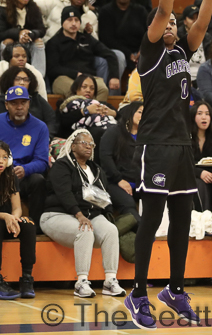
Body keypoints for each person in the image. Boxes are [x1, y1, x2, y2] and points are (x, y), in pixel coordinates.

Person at [123, 0, 212, 329]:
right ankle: (137, 294)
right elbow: (165, 7)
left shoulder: (183, 51)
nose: (169, 24)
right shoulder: (149, 54)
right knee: (152, 219)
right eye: (162, 23)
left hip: (183, 146)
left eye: (172, 24)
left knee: (183, 219)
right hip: (155, 144)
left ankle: (175, 289)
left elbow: (201, 22)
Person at [40, 129, 126, 298]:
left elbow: (103, 195)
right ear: (73, 146)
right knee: (84, 230)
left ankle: (110, 281)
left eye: (91, 144)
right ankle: (81, 282)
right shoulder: (63, 165)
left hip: (89, 215)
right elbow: (64, 194)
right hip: (56, 215)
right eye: (84, 143)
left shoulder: (96, 169)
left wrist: (107, 214)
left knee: (111, 230)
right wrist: (79, 214)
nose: (88, 147)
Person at [0, 85, 48, 233]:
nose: (19, 107)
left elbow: (42, 161)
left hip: (22, 175)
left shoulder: (40, 127)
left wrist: (26, 169)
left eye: (23, 102)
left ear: (29, 103)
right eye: (14, 103)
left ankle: (35, 228)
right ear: (6, 105)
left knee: (38, 180)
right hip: (1, 174)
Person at [45, 6, 120, 101]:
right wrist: (75, 74)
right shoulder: (54, 42)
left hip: (88, 77)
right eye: (69, 20)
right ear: (62, 22)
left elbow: (110, 54)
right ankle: (80, 113)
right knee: (76, 90)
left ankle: (97, 114)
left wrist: (114, 77)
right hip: (63, 78)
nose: (73, 23)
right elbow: (52, 69)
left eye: (76, 20)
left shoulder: (86, 38)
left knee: (103, 89)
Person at [0, 140, 36, 300]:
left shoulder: (10, 176)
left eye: (4, 157)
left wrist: (15, 218)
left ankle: (27, 278)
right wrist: (5, 216)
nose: (1, 160)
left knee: (28, 225)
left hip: (7, 221)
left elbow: (17, 206)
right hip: (2, 220)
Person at [99, 101, 143, 223]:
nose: (143, 116)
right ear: (130, 113)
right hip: (115, 181)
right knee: (128, 204)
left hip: (140, 182)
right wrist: (119, 180)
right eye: (140, 112)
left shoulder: (147, 136)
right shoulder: (114, 132)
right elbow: (105, 157)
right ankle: (142, 234)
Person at [58, 74, 117, 159]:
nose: (88, 90)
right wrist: (85, 111)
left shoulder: (101, 104)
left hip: (108, 130)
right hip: (83, 136)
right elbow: (64, 122)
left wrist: (113, 113)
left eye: (92, 88)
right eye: (84, 87)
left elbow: (121, 117)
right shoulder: (68, 104)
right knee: (98, 132)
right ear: (76, 89)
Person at [98, 0, 148, 72]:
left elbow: (148, 34)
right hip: (117, 50)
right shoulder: (106, 11)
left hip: (138, 51)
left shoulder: (141, 11)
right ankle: (115, 86)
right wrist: (128, 53)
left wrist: (142, 50)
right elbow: (107, 39)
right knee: (119, 57)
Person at [0, 0, 45, 76]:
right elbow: (1, 32)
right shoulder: (3, 8)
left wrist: (30, 34)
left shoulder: (33, 8)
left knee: (39, 42)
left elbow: (41, 30)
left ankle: (38, 77)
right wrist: (18, 33)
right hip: (12, 43)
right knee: (7, 42)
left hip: (27, 41)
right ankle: (5, 76)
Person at [0, 66, 57, 138]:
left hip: (36, 137)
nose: (22, 83)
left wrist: (45, 137)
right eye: (18, 79)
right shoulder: (2, 100)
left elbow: (51, 120)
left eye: (25, 80)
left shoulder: (37, 98)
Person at [34, 0, 99, 43]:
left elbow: (96, 42)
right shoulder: (55, 2)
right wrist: (43, 24)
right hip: (50, 45)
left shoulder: (90, 16)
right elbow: (33, 4)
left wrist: (90, 32)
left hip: (76, 50)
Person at [190, 100, 212, 213]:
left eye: (207, 113)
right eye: (199, 114)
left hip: (211, 173)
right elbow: (181, 163)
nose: (204, 117)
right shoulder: (186, 137)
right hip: (190, 174)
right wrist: (200, 173)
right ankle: (203, 217)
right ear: (193, 117)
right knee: (200, 183)